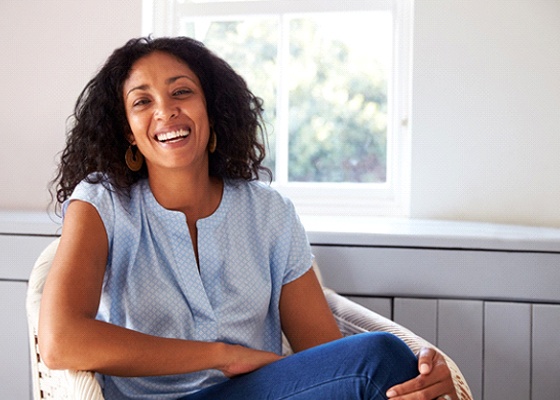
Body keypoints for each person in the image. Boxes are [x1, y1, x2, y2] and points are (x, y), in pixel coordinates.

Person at [39, 36, 458, 399]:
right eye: (142, 101)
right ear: (129, 131)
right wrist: (224, 356)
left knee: (390, 366)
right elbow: (60, 340)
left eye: (181, 92)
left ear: (211, 109)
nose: (165, 111)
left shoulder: (268, 213)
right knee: (381, 358)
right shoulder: (102, 202)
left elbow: (324, 355)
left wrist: (414, 374)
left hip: (263, 392)